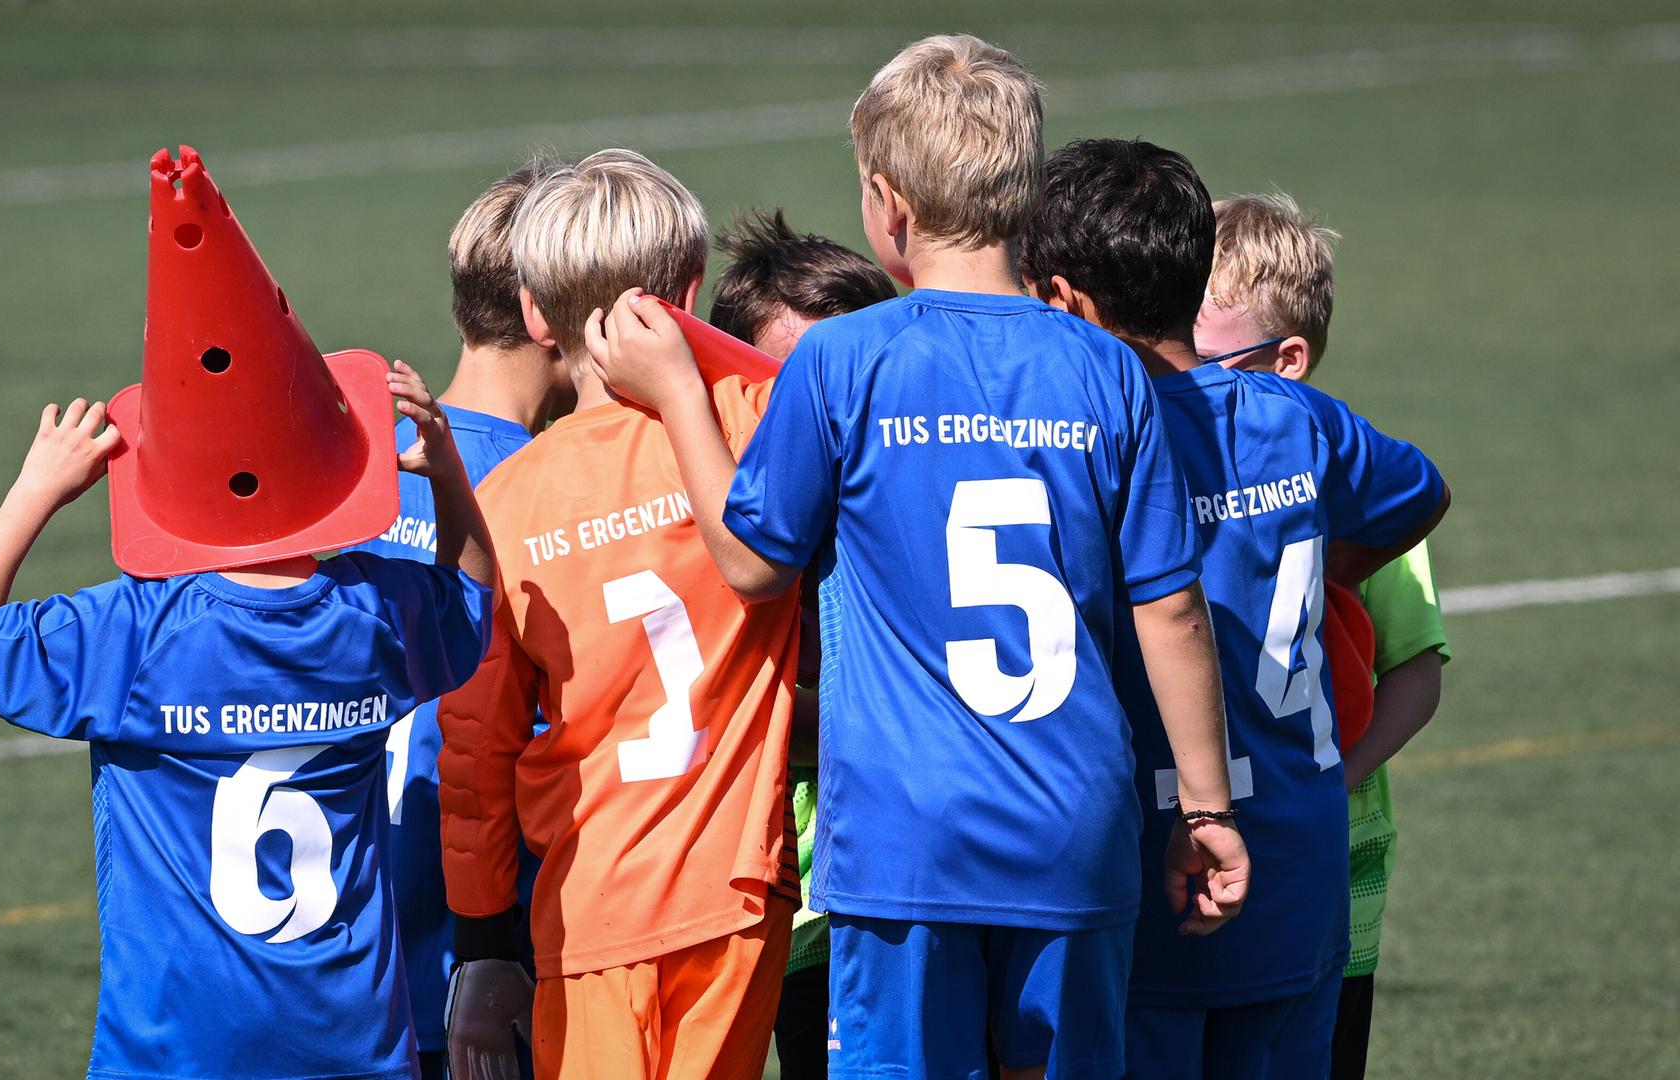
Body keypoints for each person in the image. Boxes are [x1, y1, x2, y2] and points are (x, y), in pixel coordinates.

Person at [589, 36, 1249, 1080]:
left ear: (886, 205)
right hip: (1073, 827)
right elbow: (1171, 612)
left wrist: (678, 395)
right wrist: (1207, 810)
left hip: (906, 838)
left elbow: (756, 561)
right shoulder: (1105, 370)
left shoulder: (845, 360)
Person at [0, 141, 495, 1080]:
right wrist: (452, 479)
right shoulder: (374, 613)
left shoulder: (135, 632)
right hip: (352, 1044)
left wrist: (34, 488)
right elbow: (474, 598)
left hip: (174, 1052)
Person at [1018, 138, 1449, 1080]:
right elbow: (1419, 492)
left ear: (1067, 303)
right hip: (1297, 860)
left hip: (1157, 872)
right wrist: (1312, 564)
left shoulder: (1087, 443)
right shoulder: (1297, 417)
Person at [436, 149, 804, 1080]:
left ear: (530, 314)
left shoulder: (507, 503)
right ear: (687, 291)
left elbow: (477, 744)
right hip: (736, 886)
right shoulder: (751, 427)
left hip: (590, 902)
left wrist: (483, 934)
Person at [1196, 192, 1452, 1080]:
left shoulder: (1349, 487)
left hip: (1330, 850)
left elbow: (1416, 667)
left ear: (1288, 359)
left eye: (1201, 355)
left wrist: (1342, 776)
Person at [351, 160, 569, 1080]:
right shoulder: (545, 490)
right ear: (550, 315)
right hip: (487, 960)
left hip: (353, 959)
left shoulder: (364, 476)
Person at [704, 208, 896, 1080]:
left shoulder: (909, 514)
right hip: (736, 890)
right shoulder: (698, 527)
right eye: (788, 388)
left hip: (876, 896)